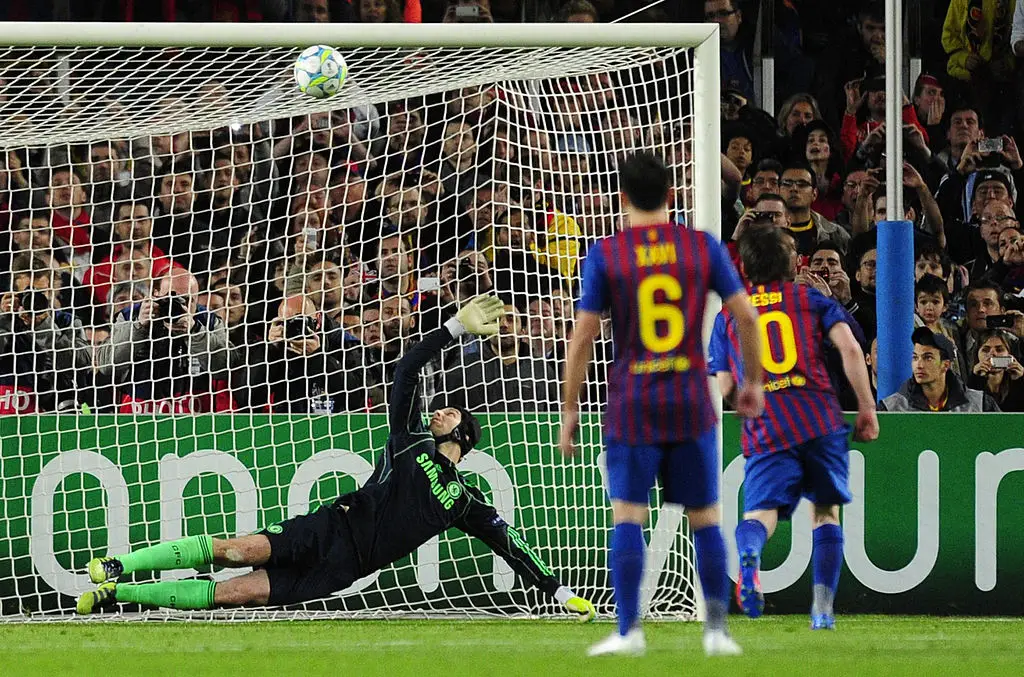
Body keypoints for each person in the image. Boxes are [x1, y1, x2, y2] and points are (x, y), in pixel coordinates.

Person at [77, 295, 595, 622]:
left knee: (234, 596)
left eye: (450, 412)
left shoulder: (464, 501)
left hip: (345, 568)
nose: (439, 411)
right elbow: (406, 370)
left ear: (464, 432)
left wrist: (559, 591)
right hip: (329, 529)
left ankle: (119, 596)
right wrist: (453, 329)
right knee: (234, 551)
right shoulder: (407, 442)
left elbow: (511, 545)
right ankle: (120, 565)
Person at [559, 152, 764, 657]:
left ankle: (629, 632)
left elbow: (583, 336)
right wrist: (752, 382)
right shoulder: (702, 247)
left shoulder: (606, 253)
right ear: (672, 196)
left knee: (628, 515)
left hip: (633, 402)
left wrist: (569, 410)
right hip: (692, 398)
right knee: (706, 517)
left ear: (622, 199)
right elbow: (746, 319)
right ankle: (717, 632)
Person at [708, 226, 878, 631]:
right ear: (794, 263)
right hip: (818, 417)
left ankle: (751, 558)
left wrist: (739, 399)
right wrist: (867, 407)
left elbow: (724, 384)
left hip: (768, 424)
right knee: (825, 513)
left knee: (760, 513)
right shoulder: (811, 299)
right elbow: (852, 348)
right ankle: (821, 609)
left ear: (745, 267)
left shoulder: (730, 314)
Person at [879, 327, 1001, 412]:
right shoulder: (892, 407)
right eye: (915, 358)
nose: (919, 365)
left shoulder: (980, 404)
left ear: (946, 365)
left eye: (928, 358)